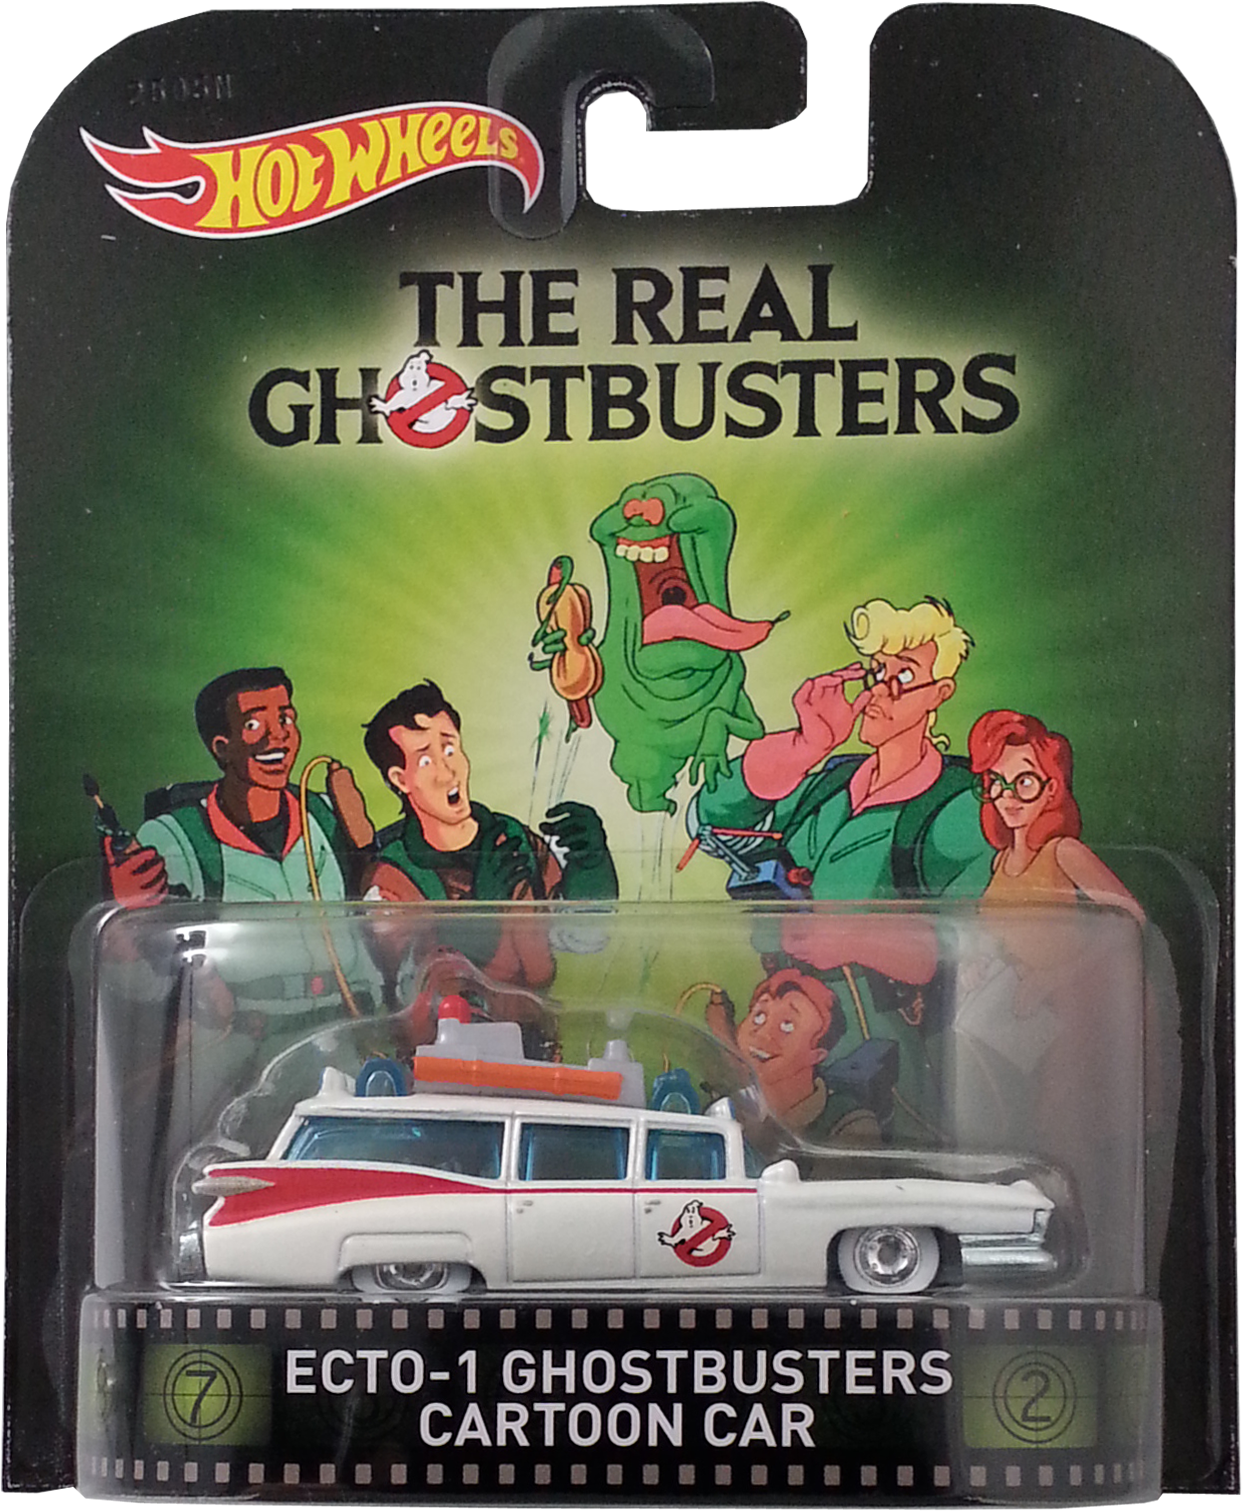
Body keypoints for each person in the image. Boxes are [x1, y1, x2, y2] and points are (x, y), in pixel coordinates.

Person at [693, 598, 994, 1143]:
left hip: (883, 1064)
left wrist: (852, 938)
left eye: (904, 676)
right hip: (779, 1049)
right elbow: (710, 821)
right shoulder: (828, 782)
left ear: (940, 694)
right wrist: (804, 746)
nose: (880, 691)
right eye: (876, 672)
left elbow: (969, 945)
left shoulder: (956, 809)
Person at [360, 680, 618, 1002]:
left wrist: (591, 871)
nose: (447, 771)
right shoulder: (395, 876)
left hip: (533, 1026)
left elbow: (581, 939)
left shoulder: (511, 838)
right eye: (425, 760)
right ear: (400, 779)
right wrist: (479, 921)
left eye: (450, 749)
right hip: (449, 1031)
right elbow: (401, 985)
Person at [968, 708, 1143, 918]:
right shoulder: (1001, 860)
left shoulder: (1064, 852)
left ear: (1051, 788)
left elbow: (1131, 914)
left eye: (1025, 781)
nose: (1008, 795)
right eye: (997, 781)